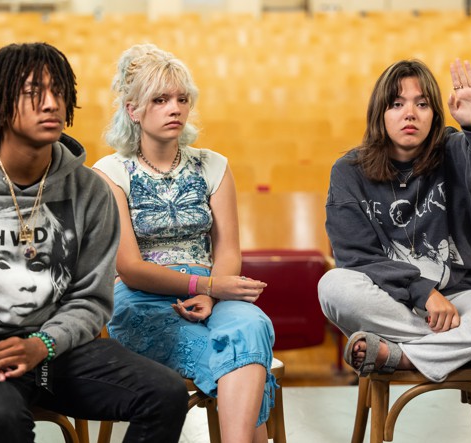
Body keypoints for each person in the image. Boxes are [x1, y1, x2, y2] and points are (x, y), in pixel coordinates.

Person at [0, 42, 188, 443]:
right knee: (2, 418)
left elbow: (91, 299)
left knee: (165, 393)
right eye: (33, 93)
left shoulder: (90, 190)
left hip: (58, 351)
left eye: (59, 92)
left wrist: (44, 344)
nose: (51, 104)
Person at [318, 58, 471, 383]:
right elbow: (357, 259)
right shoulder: (349, 171)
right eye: (396, 103)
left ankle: (404, 357)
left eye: (422, 104)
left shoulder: (458, 150)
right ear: (380, 113)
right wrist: (423, 293)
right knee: (333, 285)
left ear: (434, 115)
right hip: (395, 303)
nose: (410, 113)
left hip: (464, 303)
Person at [93, 43, 276, 443]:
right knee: (242, 352)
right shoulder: (109, 172)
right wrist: (206, 286)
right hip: (142, 301)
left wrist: (211, 295)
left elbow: (228, 251)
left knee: (252, 323)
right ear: (133, 110)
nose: (174, 108)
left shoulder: (214, 165)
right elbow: (130, 267)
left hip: (212, 294)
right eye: (159, 100)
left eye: (181, 99)